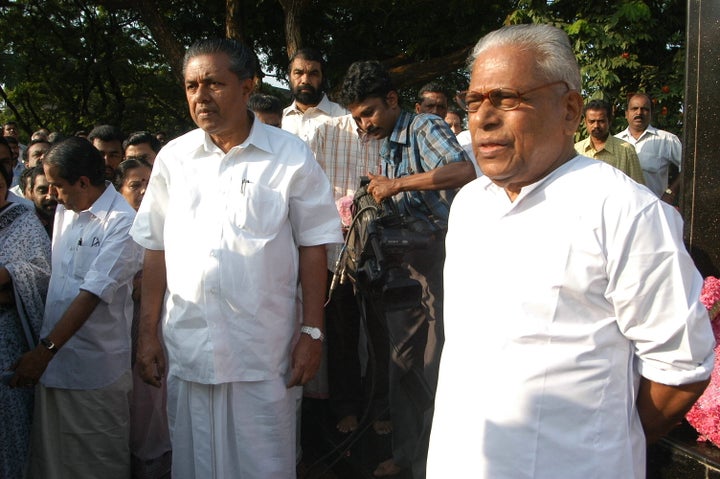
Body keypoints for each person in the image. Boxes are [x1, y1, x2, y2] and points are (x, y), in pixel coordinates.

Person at [426, 24, 714, 479]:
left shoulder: (625, 211)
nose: (484, 117)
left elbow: (682, 367)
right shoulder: (470, 204)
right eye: (474, 100)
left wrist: (596, 442)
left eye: (506, 98)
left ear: (570, 109)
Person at [130, 38, 342, 479]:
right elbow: (155, 248)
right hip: (189, 347)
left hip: (264, 351)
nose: (200, 96)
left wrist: (313, 331)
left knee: (264, 463)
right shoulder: (174, 158)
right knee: (195, 463)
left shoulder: (289, 156)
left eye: (213, 83)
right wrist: (147, 334)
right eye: (191, 86)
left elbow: (315, 245)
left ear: (248, 87)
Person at [338, 60, 475, 478]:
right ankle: (406, 455)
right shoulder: (387, 142)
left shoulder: (424, 128)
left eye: (369, 114)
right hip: (405, 270)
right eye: (357, 118)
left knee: (434, 369)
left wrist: (396, 185)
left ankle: (435, 461)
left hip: (440, 266)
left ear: (393, 100)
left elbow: (463, 171)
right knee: (403, 366)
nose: (364, 125)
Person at [13, 137, 143, 478]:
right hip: (54, 368)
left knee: (97, 463)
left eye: (57, 186)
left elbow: (91, 295)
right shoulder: (65, 212)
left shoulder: (123, 223)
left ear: (83, 182)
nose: (52, 195)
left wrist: (44, 351)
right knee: (52, 463)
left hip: (94, 372)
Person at [308, 114, 384, 434]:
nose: (368, 119)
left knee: (383, 337)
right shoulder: (326, 133)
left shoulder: (392, 133)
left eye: (374, 109)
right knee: (342, 335)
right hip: (335, 255)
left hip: (381, 252)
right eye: (360, 111)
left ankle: (382, 409)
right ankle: (346, 408)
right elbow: (307, 189)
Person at [114, 156, 172, 478]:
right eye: (135, 185)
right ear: (119, 189)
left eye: (149, 183)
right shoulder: (114, 227)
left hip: (158, 327)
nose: (143, 190)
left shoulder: (168, 224)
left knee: (154, 402)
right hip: (120, 332)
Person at [0, 161, 51, 479]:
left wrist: (7, 276)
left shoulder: (23, 223)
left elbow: (42, 273)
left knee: (11, 427)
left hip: (7, 338)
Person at [616, 92, 682, 201]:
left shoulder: (667, 140)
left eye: (645, 109)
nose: (639, 112)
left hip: (654, 209)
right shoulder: (616, 141)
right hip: (622, 211)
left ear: (651, 113)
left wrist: (671, 192)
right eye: (634, 108)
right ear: (626, 113)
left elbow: (689, 167)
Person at [282, 47, 347, 142]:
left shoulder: (344, 117)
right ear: (289, 77)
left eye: (313, 74)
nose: (305, 80)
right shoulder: (281, 119)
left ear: (323, 78)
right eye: (298, 73)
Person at [574, 98, 645, 184]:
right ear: (585, 122)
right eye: (592, 121)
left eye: (601, 121)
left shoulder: (626, 150)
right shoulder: (576, 151)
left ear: (610, 121)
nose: (596, 125)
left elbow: (638, 188)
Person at [24, 165, 57, 237]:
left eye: (55, 190)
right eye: (43, 191)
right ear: (31, 193)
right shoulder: (23, 227)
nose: (50, 197)